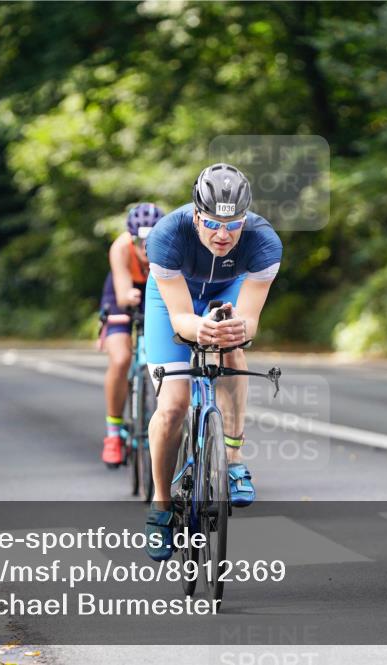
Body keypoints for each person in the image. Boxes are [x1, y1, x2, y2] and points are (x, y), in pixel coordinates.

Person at [142, 163, 282, 561]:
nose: (223, 235)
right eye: (212, 223)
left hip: (228, 290)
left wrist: (234, 328)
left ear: (246, 220)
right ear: (196, 214)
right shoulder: (167, 237)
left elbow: (250, 320)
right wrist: (197, 328)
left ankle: (234, 458)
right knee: (172, 407)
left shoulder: (264, 242)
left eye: (233, 224)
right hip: (175, 299)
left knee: (234, 347)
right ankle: (161, 504)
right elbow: (180, 320)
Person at [99, 203, 164, 466]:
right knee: (120, 358)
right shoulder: (120, 248)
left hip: (158, 289)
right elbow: (124, 293)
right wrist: (129, 298)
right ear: (131, 237)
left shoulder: (172, 246)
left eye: (152, 242)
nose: (145, 249)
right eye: (139, 241)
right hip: (123, 291)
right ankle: (114, 434)